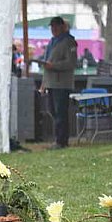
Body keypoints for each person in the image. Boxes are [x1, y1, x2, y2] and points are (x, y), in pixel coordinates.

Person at [39, 16, 77, 150]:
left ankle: (61, 141)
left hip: (62, 83)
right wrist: (43, 83)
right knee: (53, 111)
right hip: (51, 82)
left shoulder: (69, 42)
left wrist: (54, 65)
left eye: (56, 26)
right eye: (52, 27)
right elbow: (46, 64)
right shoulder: (52, 42)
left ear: (62, 27)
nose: (53, 29)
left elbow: (71, 63)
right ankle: (59, 138)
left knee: (61, 112)